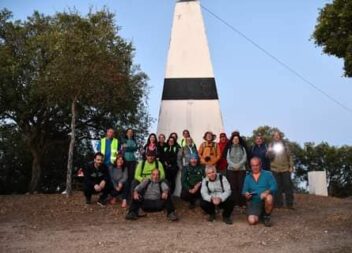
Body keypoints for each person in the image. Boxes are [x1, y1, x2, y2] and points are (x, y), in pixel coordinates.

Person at [242, 157, 277, 227]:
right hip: (253, 202)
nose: (255, 167)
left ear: (260, 165)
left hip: (265, 199)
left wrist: (267, 192)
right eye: (253, 165)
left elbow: (274, 186)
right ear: (250, 166)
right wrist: (246, 194)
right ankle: (260, 214)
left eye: (257, 165)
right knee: (252, 221)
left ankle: (267, 216)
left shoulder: (268, 174)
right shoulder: (248, 177)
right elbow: (244, 190)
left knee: (269, 197)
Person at [267, 130, 294, 209]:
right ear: (273, 137)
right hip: (274, 169)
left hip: (285, 168)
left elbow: (290, 156)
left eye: (277, 135)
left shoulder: (285, 145)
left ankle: (289, 204)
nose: (276, 136)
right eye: (275, 135)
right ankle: (278, 204)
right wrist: (269, 151)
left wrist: (291, 166)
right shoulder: (271, 145)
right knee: (277, 187)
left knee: (288, 186)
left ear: (280, 136)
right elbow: (269, 157)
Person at [224, 131, 247, 208]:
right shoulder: (229, 148)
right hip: (231, 169)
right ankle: (235, 203)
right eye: (234, 139)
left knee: (241, 186)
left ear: (239, 140)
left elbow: (244, 158)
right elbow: (228, 158)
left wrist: (238, 165)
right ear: (232, 140)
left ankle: (242, 203)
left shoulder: (242, 148)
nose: (236, 140)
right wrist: (234, 166)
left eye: (237, 139)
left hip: (241, 169)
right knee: (233, 186)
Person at [121, 128, 138, 200]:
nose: (130, 133)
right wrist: (131, 148)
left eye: (131, 132)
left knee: (131, 177)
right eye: (129, 132)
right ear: (126, 133)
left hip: (133, 160)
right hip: (125, 160)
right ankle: (123, 194)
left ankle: (129, 194)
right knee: (125, 177)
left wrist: (128, 147)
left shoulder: (134, 141)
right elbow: (124, 149)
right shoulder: (123, 140)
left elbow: (136, 148)